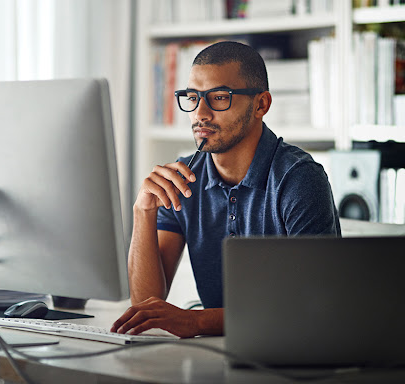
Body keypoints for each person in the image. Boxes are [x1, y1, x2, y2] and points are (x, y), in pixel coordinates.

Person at [110, 41, 341, 338]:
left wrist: (196, 322)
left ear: (261, 105)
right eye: (192, 97)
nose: (200, 113)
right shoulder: (183, 178)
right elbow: (145, 305)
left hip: (289, 353)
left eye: (219, 97)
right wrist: (143, 211)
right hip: (216, 353)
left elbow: (312, 306)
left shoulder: (299, 179)